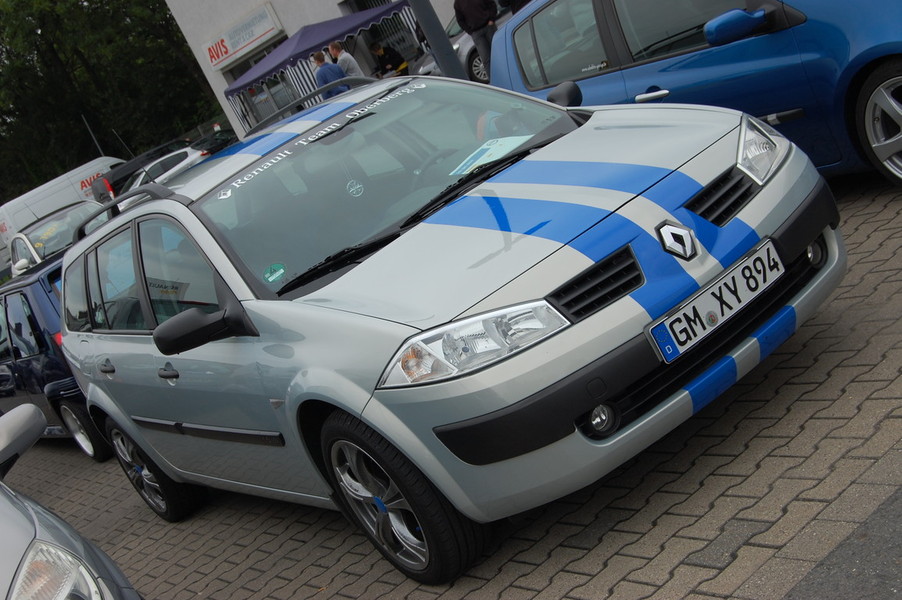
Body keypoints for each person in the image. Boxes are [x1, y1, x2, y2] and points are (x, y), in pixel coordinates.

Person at [453, 0, 498, 79]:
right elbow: (460, 20)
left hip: (489, 27)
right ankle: (495, 81)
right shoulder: (458, 3)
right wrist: (470, 31)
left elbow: (492, 4)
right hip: (476, 33)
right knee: (486, 59)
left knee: (498, 52)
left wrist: (491, 20)